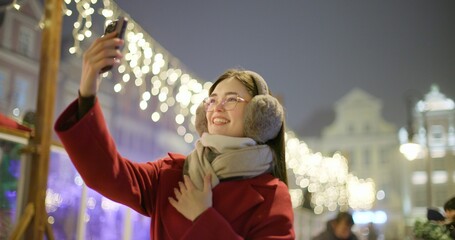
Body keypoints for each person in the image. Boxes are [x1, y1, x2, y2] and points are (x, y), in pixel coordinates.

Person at [54, 31, 295, 239]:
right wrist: (87, 91)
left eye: (231, 99)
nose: (217, 108)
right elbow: (107, 173)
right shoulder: (172, 173)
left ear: (258, 115)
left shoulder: (272, 194)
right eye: (212, 100)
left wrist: (204, 219)